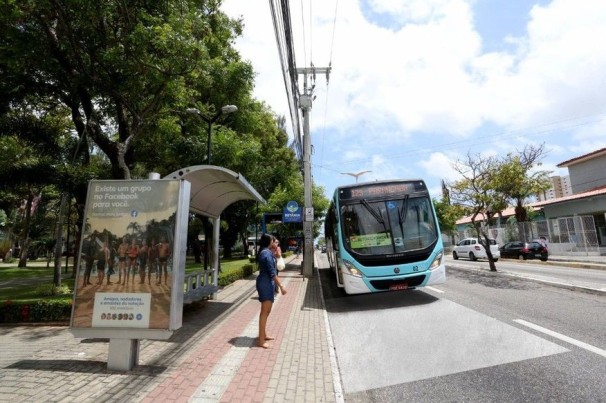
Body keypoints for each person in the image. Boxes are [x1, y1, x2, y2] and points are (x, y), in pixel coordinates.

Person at [255, 233, 287, 349]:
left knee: (267, 311)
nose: (275, 242)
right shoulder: (266, 254)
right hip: (265, 283)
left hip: (267, 283)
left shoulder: (267, 252)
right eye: (273, 241)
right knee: (265, 311)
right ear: (268, 241)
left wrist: (277, 254)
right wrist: (282, 286)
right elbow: (272, 273)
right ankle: (261, 341)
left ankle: (263, 335)